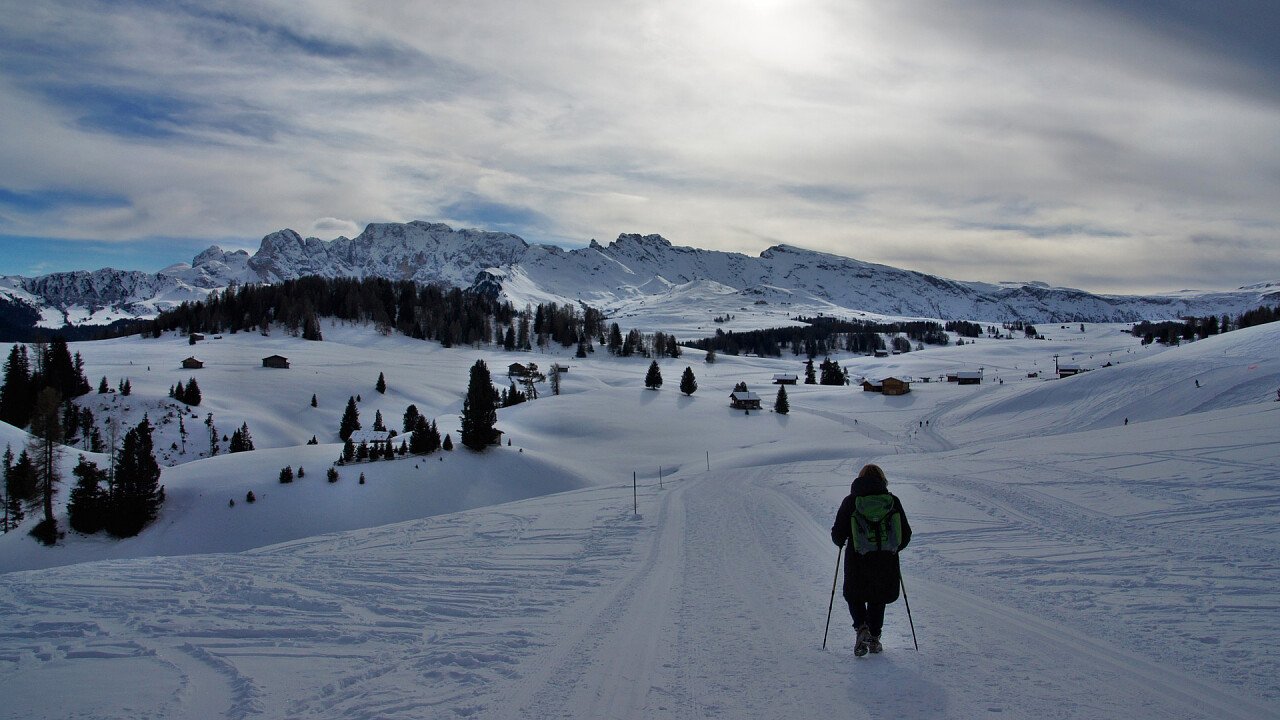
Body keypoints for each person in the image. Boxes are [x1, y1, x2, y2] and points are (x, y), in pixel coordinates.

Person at [831, 463, 912, 656]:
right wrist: (892, 548)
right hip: (885, 559)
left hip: (857, 558)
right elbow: (906, 534)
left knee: (854, 594)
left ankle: (861, 628)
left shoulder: (851, 501)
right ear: (882, 479)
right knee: (878, 596)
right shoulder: (892, 501)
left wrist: (844, 540)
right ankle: (874, 637)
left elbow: (837, 536)